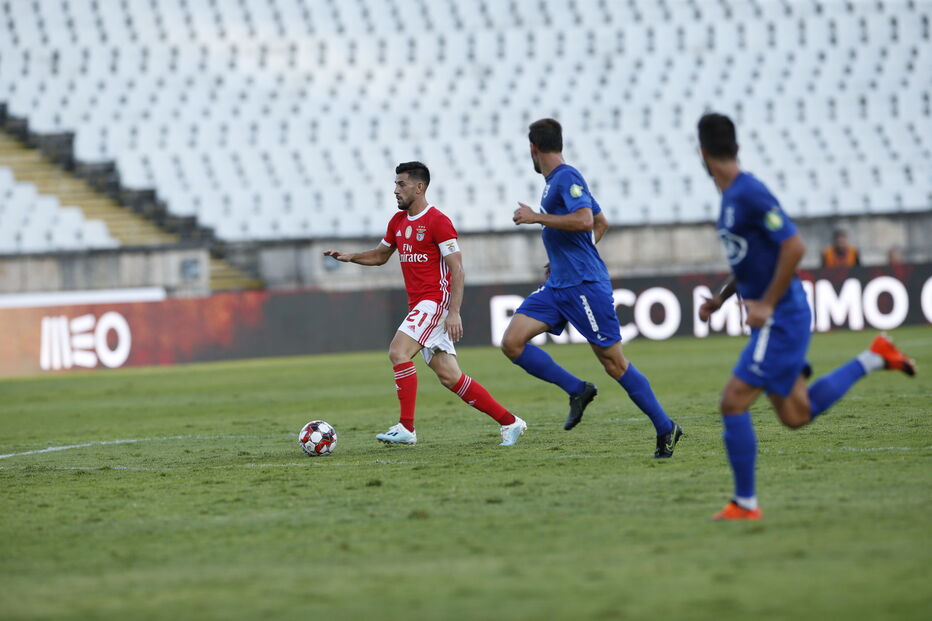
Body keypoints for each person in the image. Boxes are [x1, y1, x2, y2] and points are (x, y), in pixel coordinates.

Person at [696, 113, 917, 521]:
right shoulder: (731, 197)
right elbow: (750, 260)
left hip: (781, 316)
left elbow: (794, 247)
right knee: (795, 415)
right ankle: (875, 356)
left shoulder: (749, 193)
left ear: (702, 153)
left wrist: (765, 304)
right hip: (778, 314)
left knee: (733, 402)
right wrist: (723, 298)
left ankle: (745, 503)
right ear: (736, 148)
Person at [501, 118, 683, 458]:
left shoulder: (566, 177)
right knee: (512, 343)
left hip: (584, 286)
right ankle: (577, 389)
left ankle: (665, 427)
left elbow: (586, 220)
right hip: (559, 285)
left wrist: (537, 218)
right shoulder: (556, 181)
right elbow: (602, 222)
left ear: (533, 148)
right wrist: (565, 258)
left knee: (614, 364)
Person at [324, 161, 527, 446]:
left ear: (419, 188)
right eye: (395, 184)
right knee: (450, 377)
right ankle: (510, 422)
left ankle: (406, 428)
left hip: (435, 303)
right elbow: (381, 255)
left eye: (401, 184)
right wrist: (350, 257)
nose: (395, 190)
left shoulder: (438, 221)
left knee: (398, 352)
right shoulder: (397, 222)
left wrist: (453, 312)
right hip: (420, 305)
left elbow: (457, 269)